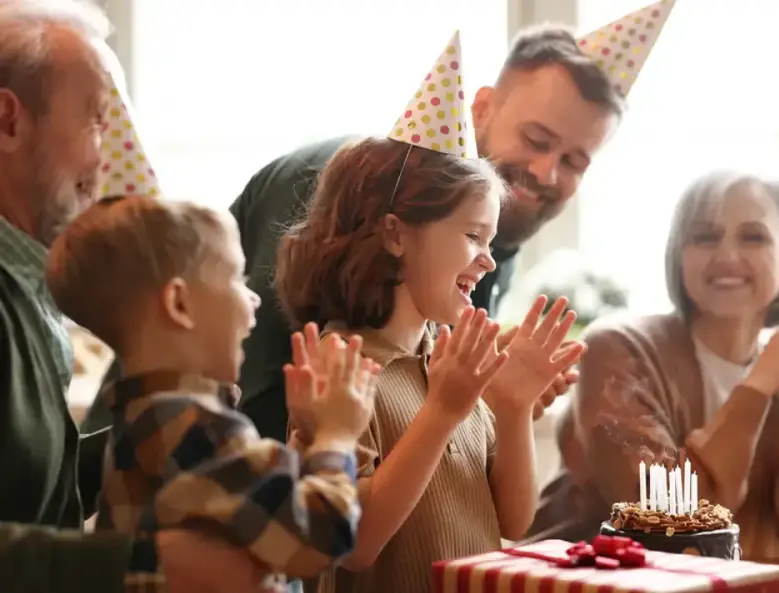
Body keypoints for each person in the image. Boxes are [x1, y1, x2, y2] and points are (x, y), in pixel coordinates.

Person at [204, 3, 676, 443]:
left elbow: (414, 425)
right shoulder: (339, 193)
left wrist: (490, 391)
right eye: (535, 138)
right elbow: (268, 407)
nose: (545, 172)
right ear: (482, 108)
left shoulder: (493, 247)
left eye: (575, 162)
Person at [0, 2, 308, 590]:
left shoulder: (27, 291)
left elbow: (29, 482)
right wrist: (142, 563)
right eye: (95, 120)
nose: (104, 156)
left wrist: (165, 432)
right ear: (9, 120)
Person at [274, 33, 584, 593]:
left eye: (492, 241)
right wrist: (443, 409)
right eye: (473, 236)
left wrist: (511, 405)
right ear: (396, 233)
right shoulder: (338, 368)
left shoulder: (450, 359)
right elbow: (356, 545)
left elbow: (514, 522)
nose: (489, 261)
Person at [44, 195, 381, 588]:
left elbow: (259, 526)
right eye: (237, 278)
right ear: (179, 303)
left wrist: (308, 439)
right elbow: (319, 539)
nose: (254, 298)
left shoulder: (145, 419)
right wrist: (337, 437)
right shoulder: (195, 428)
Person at [526, 170, 779, 561]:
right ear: (679, 256)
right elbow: (671, 519)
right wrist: (760, 383)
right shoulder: (616, 348)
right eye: (704, 237)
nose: (727, 256)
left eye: (753, 237)